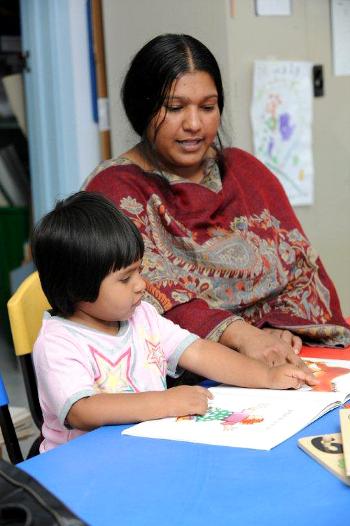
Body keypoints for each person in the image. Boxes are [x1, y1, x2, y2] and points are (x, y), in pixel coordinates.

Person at [84, 33, 350, 375]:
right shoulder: (114, 191)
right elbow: (140, 302)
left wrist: (282, 329)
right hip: (179, 379)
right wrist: (241, 336)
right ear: (143, 107)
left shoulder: (245, 172)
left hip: (278, 359)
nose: (194, 124)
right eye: (175, 108)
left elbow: (299, 270)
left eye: (208, 107)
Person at [31, 192, 317, 452]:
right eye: (125, 278)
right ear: (77, 286)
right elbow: (82, 410)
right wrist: (165, 402)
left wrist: (265, 377)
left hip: (145, 453)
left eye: (139, 271)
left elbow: (200, 352)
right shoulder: (57, 342)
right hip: (80, 471)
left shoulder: (140, 316)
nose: (141, 285)